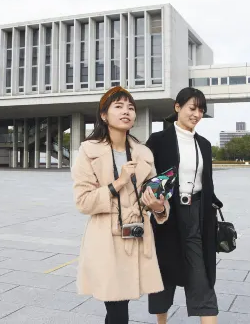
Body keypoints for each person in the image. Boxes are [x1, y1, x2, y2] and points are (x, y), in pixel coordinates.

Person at [72, 86, 170, 324]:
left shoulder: (143, 153)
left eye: (130, 107)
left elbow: (155, 197)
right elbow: (83, 201)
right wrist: (119, 182)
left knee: (120, 305)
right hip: (106, 238)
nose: (126, 111)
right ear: (104, 115)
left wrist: (158, 206)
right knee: (116, 308)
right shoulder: (88, 150)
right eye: (118, 106)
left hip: (137, 236)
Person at [146, 87, 223, 324]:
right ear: (177, 108)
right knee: (163, 274)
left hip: (198, 215)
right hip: (167, 214)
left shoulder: (205, 144)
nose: (197, 114)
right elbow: (149, 178)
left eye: (201, 110)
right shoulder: (158, 140)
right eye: (192, 108)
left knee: (202, 275)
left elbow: (206, 183)